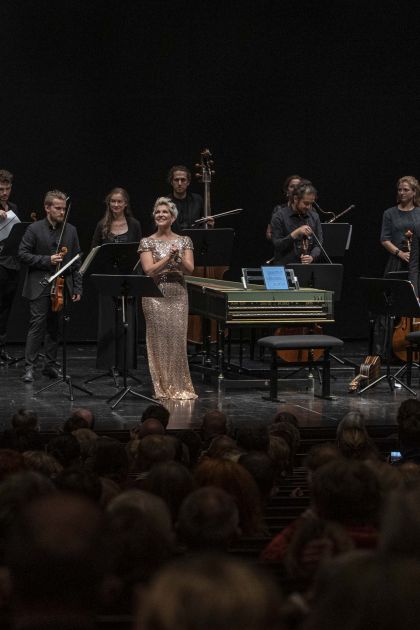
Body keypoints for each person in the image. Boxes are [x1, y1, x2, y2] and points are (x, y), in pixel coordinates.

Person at [18, 190, 82, 383]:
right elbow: (22, 254)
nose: (62, 212)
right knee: (37, 325)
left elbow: (77, 260)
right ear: (47, 208)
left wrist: (78, 288)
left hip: (62, 284)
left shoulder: (70, 230)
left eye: (64, 208)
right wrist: (47, 260)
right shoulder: (34, 229)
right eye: (58, 208)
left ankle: (50, 366)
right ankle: (29, 368)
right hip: (40, 284)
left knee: (56, 327)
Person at [138, 196, 197, 400]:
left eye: (165, 212)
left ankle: (179, 384)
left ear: (173, 217)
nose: (160, 215)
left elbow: (189, 270)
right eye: (157, 212)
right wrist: (167, 258)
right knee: (158, 340)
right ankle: (161, 387)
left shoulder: (184, 240)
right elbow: (149, 271)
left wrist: (178, 257)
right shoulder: (147, 241)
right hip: (155, 294)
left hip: (178, 293)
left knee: (177, 340)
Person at [90, 188, 142, 370]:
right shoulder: (101, 225)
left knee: (126, 321)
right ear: (108, 203)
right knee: (108, 321)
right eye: (113, 201)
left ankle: (125, 364)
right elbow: (94, 252)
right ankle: (108, 364)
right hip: (108, 278)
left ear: (125, 204)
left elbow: (140, 253)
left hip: (127, 279)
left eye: (120, 202)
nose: (116, 205)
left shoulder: (134, 224)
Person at [271, 182, 322, 264]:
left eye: (311, 203)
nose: (308, 207)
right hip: (285, 267)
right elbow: (278, 245)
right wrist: (296, 233)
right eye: (306, 203)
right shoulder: (279, 216)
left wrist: (312, 257)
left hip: (306, 269)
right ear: (295, 199)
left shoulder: (314, 217)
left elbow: (318, 245)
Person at [0, 169, 21, 363]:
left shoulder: (12, 207)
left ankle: (2, 348)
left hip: (11, 265)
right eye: (0, 189)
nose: (4, 193)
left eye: (7, 188)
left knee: (6, 307)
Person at [381, 175, 420, 277]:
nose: (402, 193)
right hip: (397, 260)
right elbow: (384, 240)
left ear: (414, 192)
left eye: (406, 190)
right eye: (399, 190)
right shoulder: (389, 213)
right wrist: (401, 254)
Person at [168, 164, 214, 229]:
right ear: (171, 182)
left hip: (195, 238)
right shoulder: (165, 202)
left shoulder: (198, 200)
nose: (180, 183)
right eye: (176, 180)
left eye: (183, 180)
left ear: (188, 182)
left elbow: (203, 225)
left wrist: (209, 225)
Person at [266, 173, 303, 241]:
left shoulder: (309, 209)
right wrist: (284, 240)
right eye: (292, 186)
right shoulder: (278, 210)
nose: (295, 189)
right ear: (286, 190)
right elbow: (269, 234)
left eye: (298, 187)